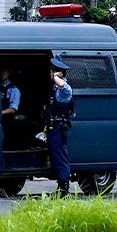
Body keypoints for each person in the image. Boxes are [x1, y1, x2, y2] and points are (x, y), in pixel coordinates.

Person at [47, 57, 74, 195]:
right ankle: (60, 186)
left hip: (60, 126)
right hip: (53, 126)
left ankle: (64, 188)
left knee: (61, 156)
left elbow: (65, 88)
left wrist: (57, 76)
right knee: (55, 155)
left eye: (52, 71)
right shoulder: (54, 88)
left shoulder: (64, 88)